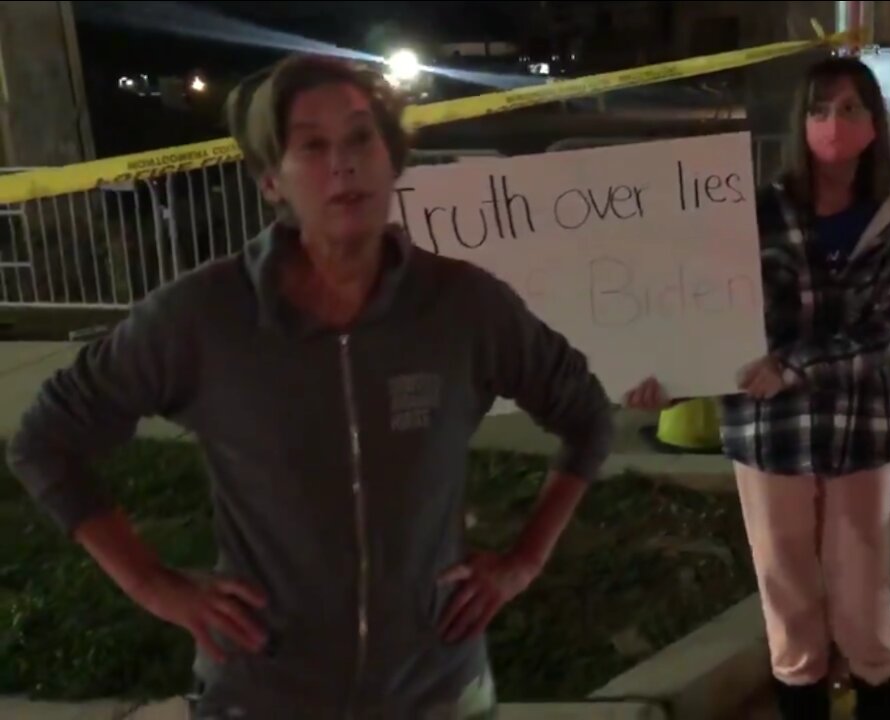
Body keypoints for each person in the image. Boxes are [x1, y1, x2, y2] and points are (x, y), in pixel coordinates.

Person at [7, 55, 614, 719]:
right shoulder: (203, 318)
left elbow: (585, 413)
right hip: (264, 695)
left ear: (392, 157)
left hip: (437, 691)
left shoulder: (464, 307)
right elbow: (47, 441)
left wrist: (523, 562)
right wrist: (156, 586)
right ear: (272, 181)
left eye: (360, 138)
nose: (344, 164)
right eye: (312, 145)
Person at [627, 57, 890, 720]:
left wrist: (795, 366)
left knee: (863, 596)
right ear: (799, 122)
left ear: (875, 124)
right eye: (819, 109)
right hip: (767, 434)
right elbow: (705, 310)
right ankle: (802, 702)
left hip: (859, 431)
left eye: (851, 108)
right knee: (788, 595)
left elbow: (888, 330)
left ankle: (880, 694)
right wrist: (670, 378)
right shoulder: (750, 214)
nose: (833, 123)